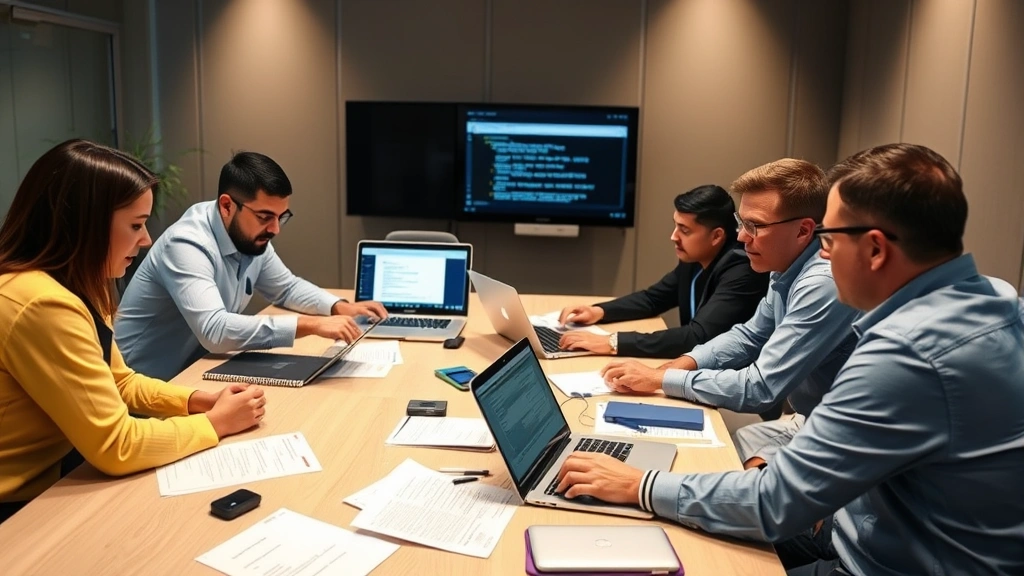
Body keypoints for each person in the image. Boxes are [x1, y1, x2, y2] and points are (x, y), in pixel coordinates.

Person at [555, 143, 1024, 575]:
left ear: (876, 249)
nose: (824, 254)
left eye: (830, 238)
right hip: (871, 529)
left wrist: (639, 485)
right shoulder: (998, 301)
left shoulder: (904, 354)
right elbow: (752, 337)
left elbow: (774, 504)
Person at [0, 140, 266, 524]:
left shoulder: (73, 284)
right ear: (86, 225)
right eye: (136, 225)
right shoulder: (40, 303)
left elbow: (118, 382)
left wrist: (199, 401)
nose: (146, 241)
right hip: (19, 504)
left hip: (58, 468)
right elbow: (116, 445)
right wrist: (217, 423)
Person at [600, 159, 859, 462]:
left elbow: (760, 387)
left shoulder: (820, 283)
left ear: (803, 231)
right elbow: (749, 336)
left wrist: (662, 380)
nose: (741, 237)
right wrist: (680, 365)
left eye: (755, 226)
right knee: (737, 445)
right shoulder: (784, 265)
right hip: (811, 421)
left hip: (844, 438)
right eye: (742, 222)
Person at [114, 151, 387, 380]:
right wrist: (311, 325)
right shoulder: (186, 244)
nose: (276, 229)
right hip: (141, 388)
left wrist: (339, 306)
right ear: (226, 205)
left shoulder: (250, 238)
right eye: (265, 216)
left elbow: (286, 287)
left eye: (282, 216)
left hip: (195, 373)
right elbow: (215, 331)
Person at [557, 185, 768, 358]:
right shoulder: (694, 259)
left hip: (732, 386)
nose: (674, 236)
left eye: (684, 230)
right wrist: (598, 311)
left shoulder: (743, 270)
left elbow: (697, 337)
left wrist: (613, 342)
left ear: (716, 236)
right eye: (675, 226)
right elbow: (652, 299)